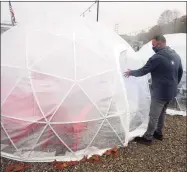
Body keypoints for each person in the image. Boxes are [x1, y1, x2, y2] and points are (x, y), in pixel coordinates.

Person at [124, 35, 183, 145]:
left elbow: (143, 71)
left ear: (160, 44)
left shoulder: (157, 58)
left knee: (154, 115)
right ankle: (159, 133)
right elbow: (180, 72)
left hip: (160, 92)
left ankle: (148, 138)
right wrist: (174, 86)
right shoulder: (176, 55)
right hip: (171, 92)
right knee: (162, 112)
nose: (153, 47)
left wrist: (131, 72)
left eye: (154, 45)